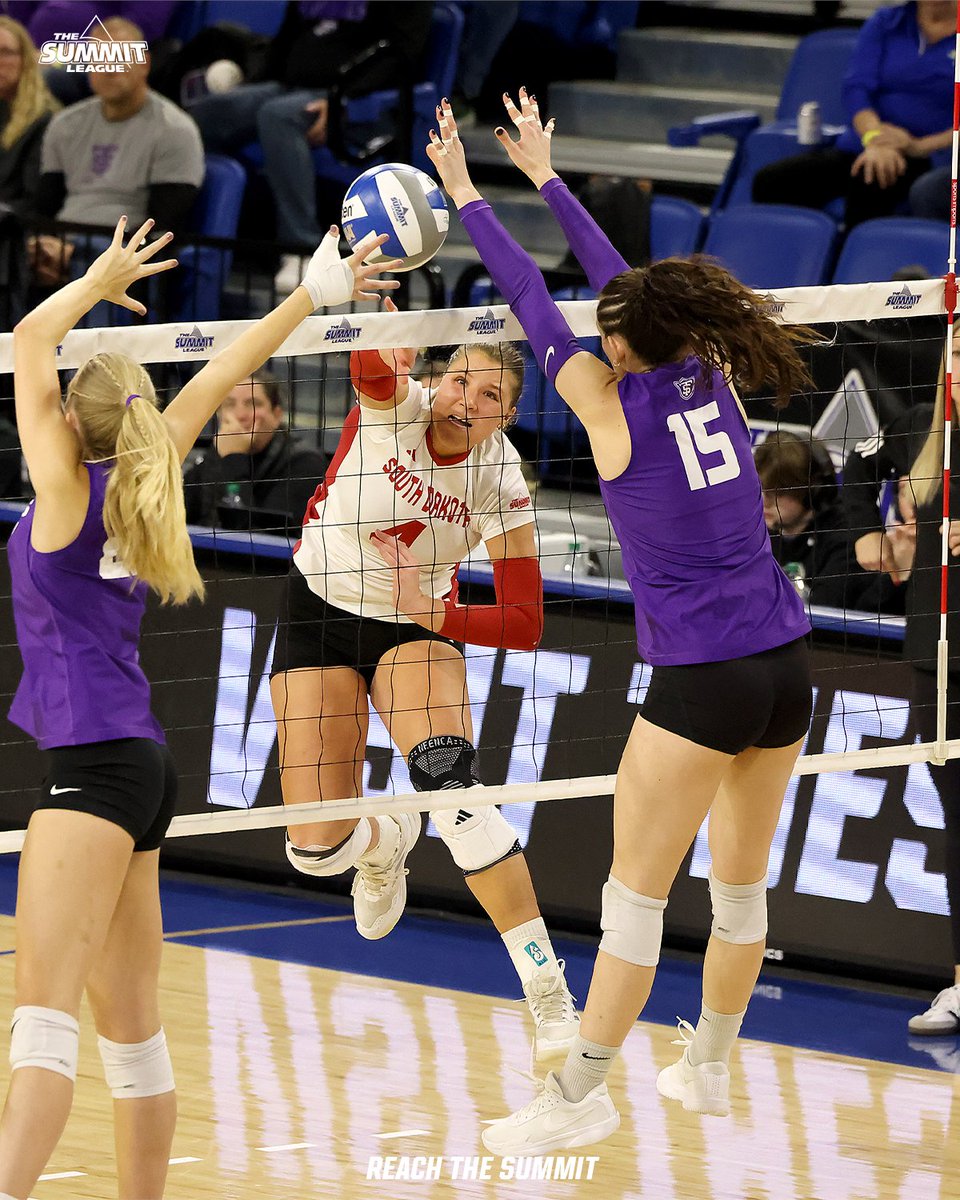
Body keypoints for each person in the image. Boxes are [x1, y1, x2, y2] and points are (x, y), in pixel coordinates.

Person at [426, 92, 815, 1152]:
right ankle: (711, 1070)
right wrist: (548, 177)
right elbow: (622, 290)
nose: (601, 340)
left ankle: (577, 1100)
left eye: (613, 339)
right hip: (786, 664)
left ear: (627, 352)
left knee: (634, 900)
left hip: (704, 678)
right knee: (740, 888)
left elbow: (530, 301)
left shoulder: (608, 400)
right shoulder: (712, 365)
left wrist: (468, 193)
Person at [1, 212, 399, 1198]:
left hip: (91, 768)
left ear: (66, 423)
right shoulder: (146, 473)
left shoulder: (64, 492)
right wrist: (315, 295)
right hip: (140, 768)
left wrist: (95, 281)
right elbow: (222, 371)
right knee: (131, 1033)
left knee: (44, 1015)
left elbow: (25, 341)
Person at [269, 295, 579, 1061]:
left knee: (454, 787)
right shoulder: (396, 409)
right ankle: (385, 840)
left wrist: (440, 619)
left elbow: (526, 621)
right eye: (461, 381)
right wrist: (383, 326)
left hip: (417, 627)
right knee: (311, 847)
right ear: (437, 380)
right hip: (319, 609)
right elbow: (371, 369)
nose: (467, 401)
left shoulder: (500, 477)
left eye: (490, 397)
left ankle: (547, 994)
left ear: (505, 418)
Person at [842, 345, 960, 1036]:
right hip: (935, 660)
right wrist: (868, 531)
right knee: (957, 830)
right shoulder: (921, 424)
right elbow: (855, 459)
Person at [186, 0, 433, 294]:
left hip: (362, 102)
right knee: (207, 113)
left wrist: (343, 98)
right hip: (289, 89)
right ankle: (203, 233)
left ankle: (302, 249)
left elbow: (401, 55)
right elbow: (285, 42)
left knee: (277, 116)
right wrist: (248, 87)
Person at [31, 16, 204, 290]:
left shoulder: (175, 130)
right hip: (59, 244)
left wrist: (76, 250)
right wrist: (42, 244)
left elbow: (163, 223)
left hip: (123, 253)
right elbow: (46, 203)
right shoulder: (65, 124)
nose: (109, 68)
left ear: (144, 63)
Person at [752, 1, 955, 229]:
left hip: (930, 156)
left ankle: (859, 262)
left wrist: (917, 146)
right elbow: (856, 88)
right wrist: (875, 139)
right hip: (866, 146)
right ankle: (808, 257)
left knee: (871, 179)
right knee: (771, 182)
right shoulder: (886, 21)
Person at [756, 430, 902, 613]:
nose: (764, 501)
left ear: (814, 490)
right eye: (760, 488)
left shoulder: (846, 538)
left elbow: (822, 615)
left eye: (778, 492)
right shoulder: (754, 531)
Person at [182, 367, 328, 533]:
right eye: (229, 404)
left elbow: (258, 538)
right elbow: (177, 512)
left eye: (252, 404)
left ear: (277, 415)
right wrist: (218, 456)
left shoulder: (305, 463)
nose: (240, 414)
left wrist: (234, 458)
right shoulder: (218, 449)